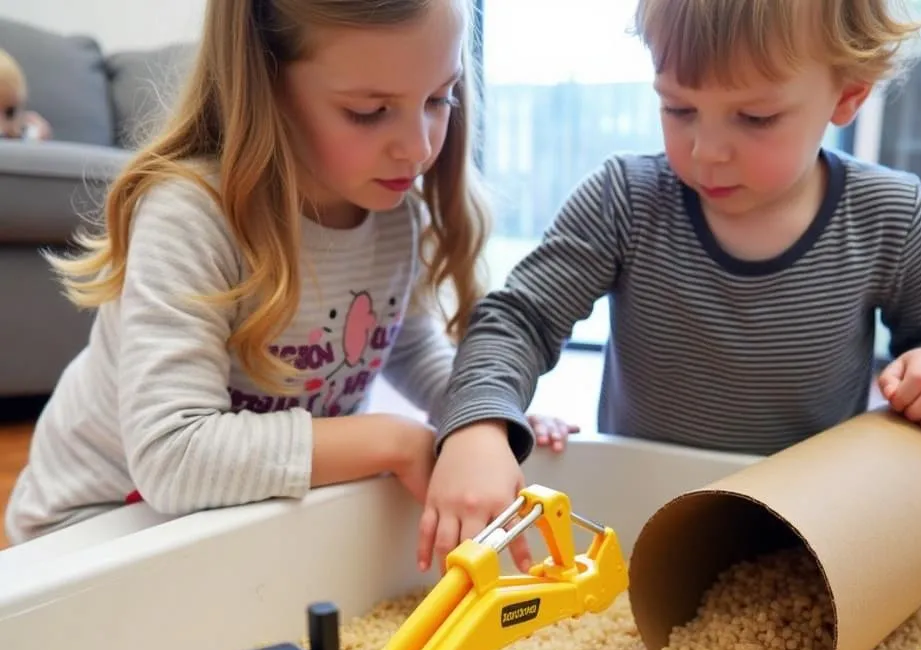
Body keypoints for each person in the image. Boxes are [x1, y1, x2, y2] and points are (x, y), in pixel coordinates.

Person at [417, 0, 921, 575]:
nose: (706, 152)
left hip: (808, 530)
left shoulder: (886, 215)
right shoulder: (626, 200)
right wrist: (477, 427)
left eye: (755, 118)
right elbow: (521, 319)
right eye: (679, 109)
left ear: (847, 94)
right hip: (649, 514)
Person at [2, 0, 566, 546]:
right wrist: (391, 441)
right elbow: (172, 455)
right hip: (94, 522)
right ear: (266, 85)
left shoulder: (398, 216)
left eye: (440, 99)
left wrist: (480, 418)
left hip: (236, 514)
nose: (418, 148)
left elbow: (407, 346)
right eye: (368, 112)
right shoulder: (191, 213)